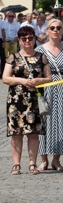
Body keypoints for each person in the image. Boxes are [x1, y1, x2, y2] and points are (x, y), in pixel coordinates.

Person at [3, 27, 52, 175]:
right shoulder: (13, 57)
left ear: (34, 39)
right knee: (16, 133)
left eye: (30, 38)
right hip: (15, 100)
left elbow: (49, 78)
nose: (27, 41)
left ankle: (32, 164)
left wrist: (38, 80)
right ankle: (16, 164)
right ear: (19, 40)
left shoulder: (41, 57)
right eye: (24, 39)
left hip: (34, 100)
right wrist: (23, 81)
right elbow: (5, 78)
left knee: (33, 133)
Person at [35, 18, 63, 171]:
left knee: (61, 122)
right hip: (46, 87)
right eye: (52, 28)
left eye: (59, 28)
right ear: (47, 31)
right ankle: (43, 159)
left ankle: (56, 160)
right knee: (44, 123)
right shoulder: (40, 50)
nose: (55, 30)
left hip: (62, 86)